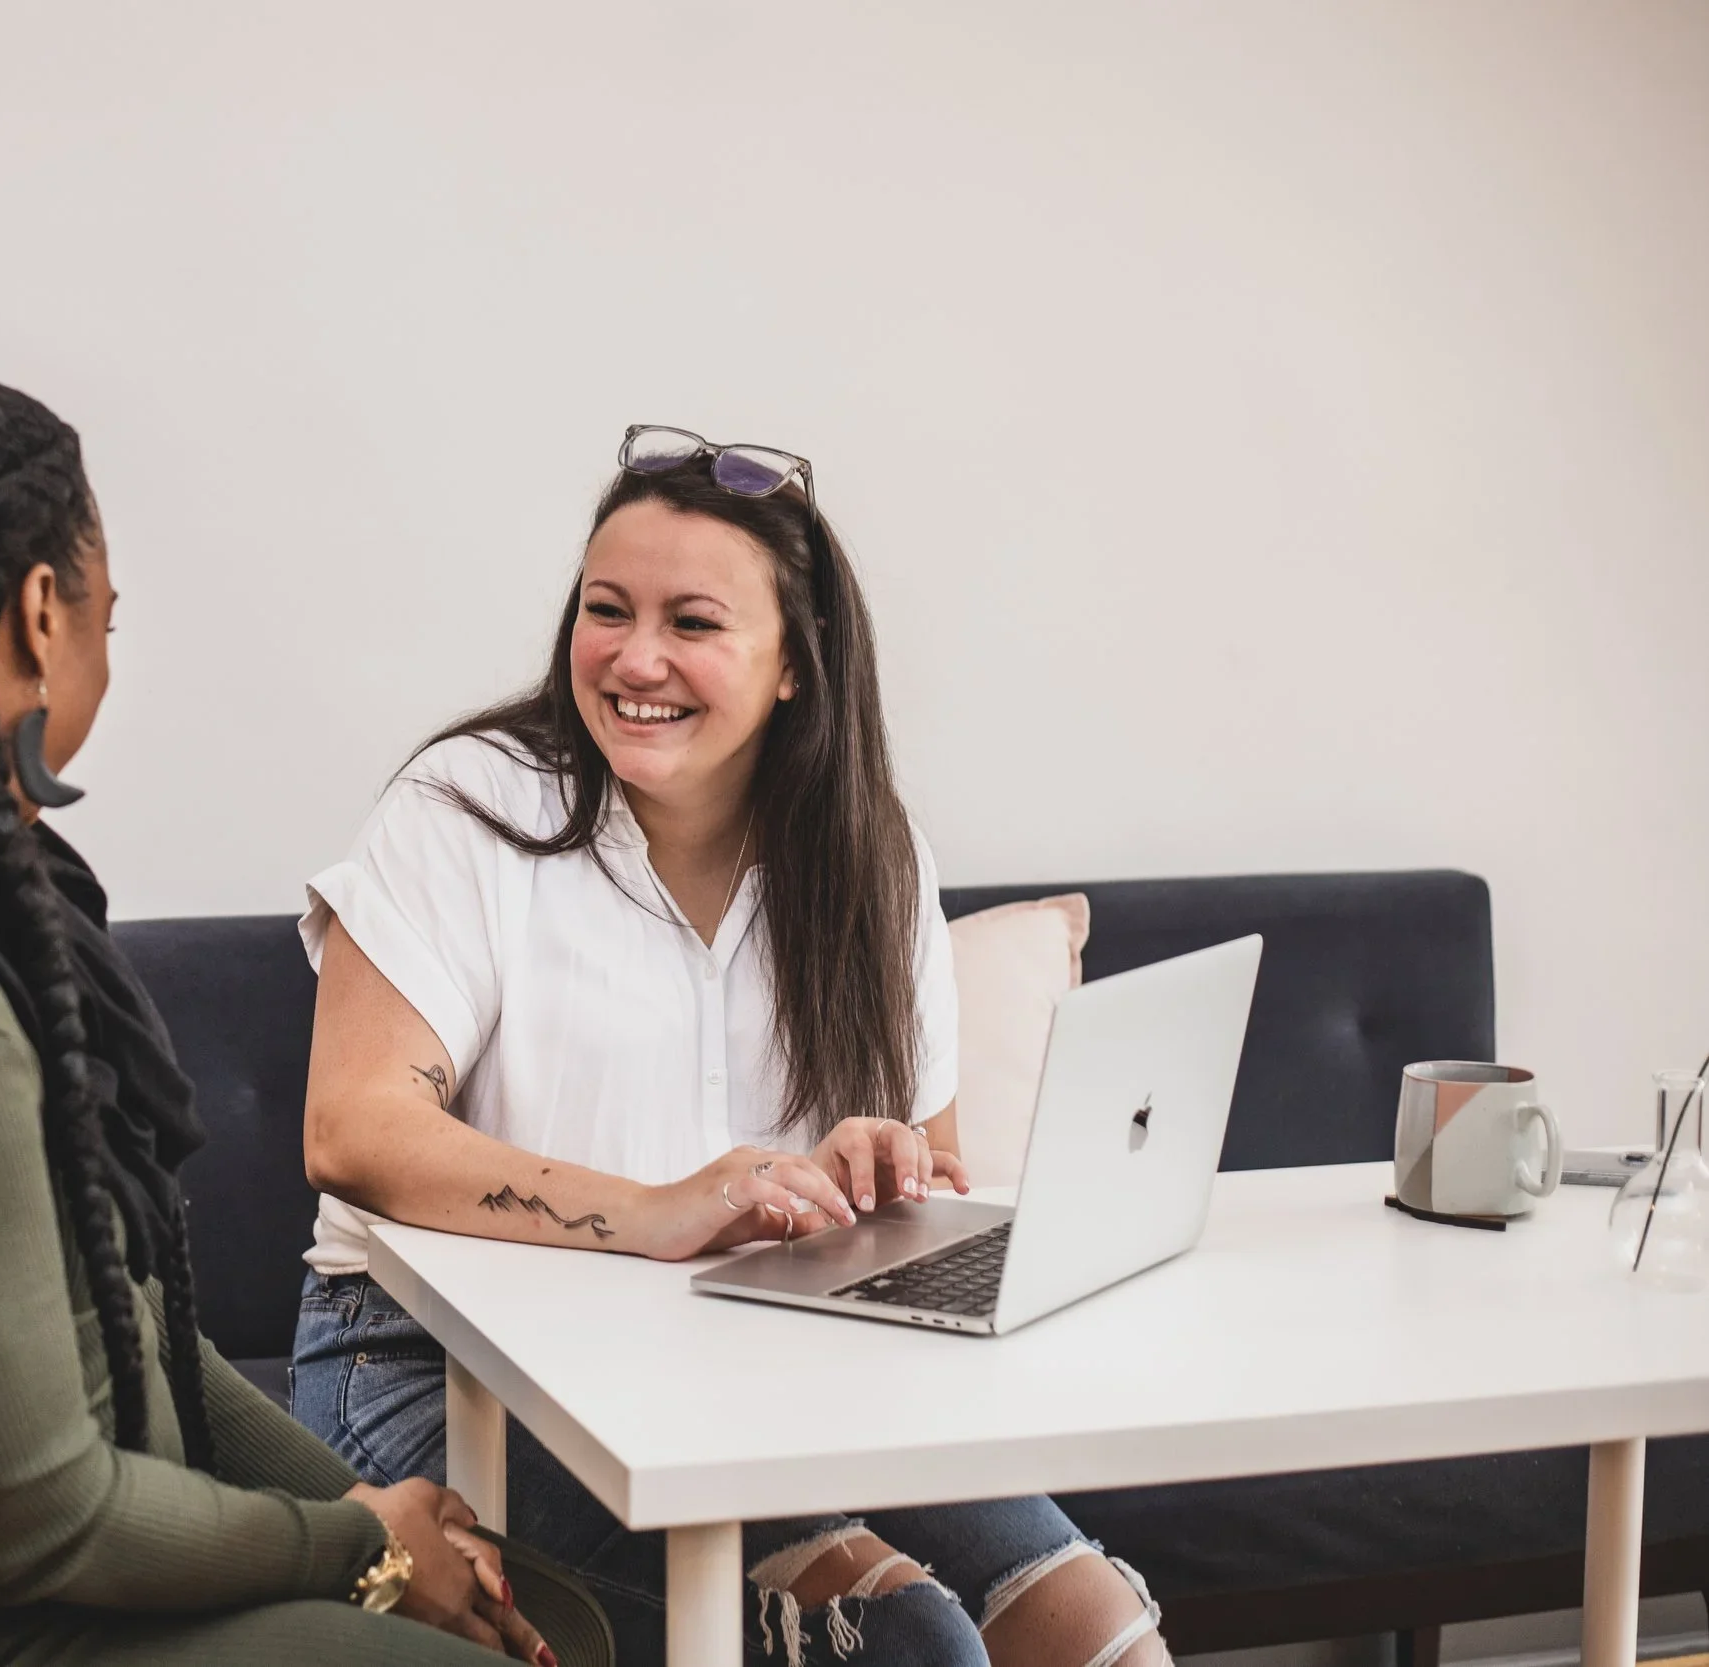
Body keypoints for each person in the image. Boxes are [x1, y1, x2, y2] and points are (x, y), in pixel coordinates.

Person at [0, 371, 612, 1667]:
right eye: (105, 617)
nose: (104, 652)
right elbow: (46, 1521)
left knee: (553, 1614)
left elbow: (128, 1313)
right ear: (40, 612)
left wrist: (355, 1503)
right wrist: (361, 1544)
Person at [291, 427, 1169, 1667]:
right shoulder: (466, 805)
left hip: (763, 1365)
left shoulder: (872, 853)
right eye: (606, 609)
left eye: (691, 622)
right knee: (903, 1642)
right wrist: (657, 1210)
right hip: (431, 1366)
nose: (633, 657)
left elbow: (932, 1165)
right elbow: (354, 1127)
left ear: (795, 663)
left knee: (1095, 1631)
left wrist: (878, 1174)